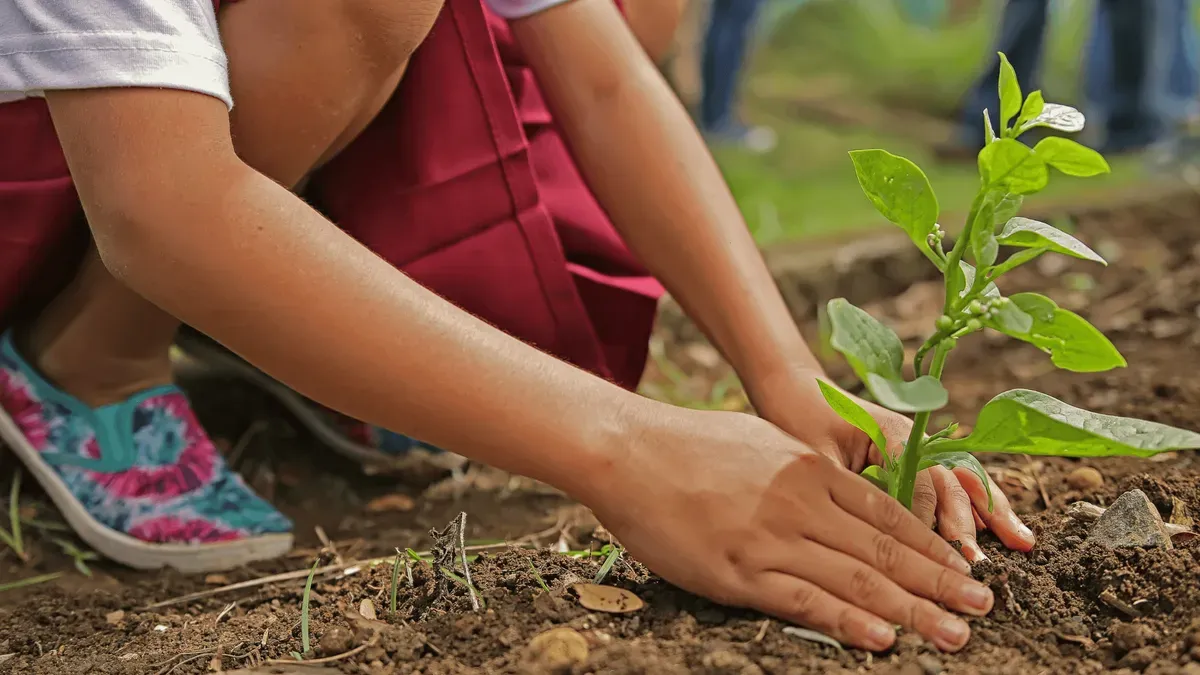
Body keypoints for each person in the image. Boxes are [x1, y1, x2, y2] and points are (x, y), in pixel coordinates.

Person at [0, 0, 1033, 652]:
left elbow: (606, 73)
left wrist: (781, 369)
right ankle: (89, 361)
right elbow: (161, 208)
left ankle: (271, 312)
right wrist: (631, 451)